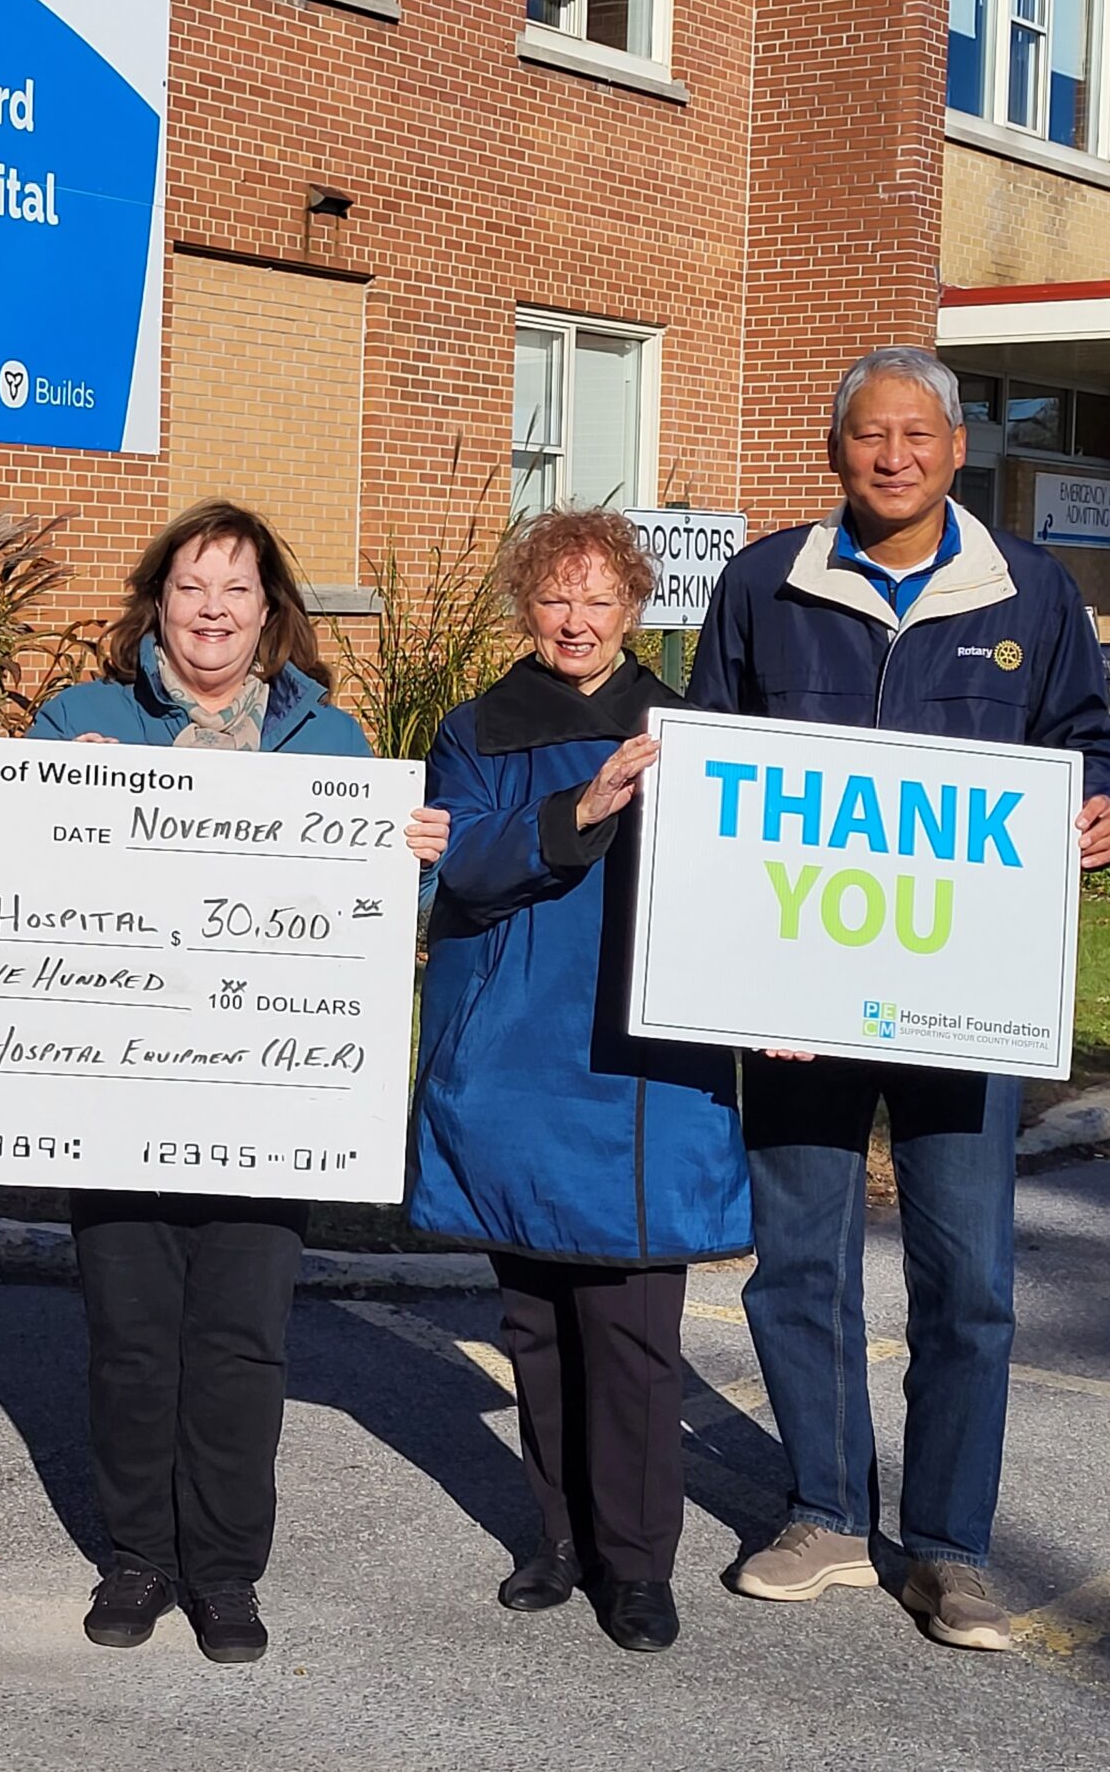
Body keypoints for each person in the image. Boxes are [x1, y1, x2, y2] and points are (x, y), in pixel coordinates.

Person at [688, 346, 1110, 1651]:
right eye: (870, 435)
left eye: (917, 434)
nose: (894, 455)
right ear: (839, 451)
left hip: (961, 995)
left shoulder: (1030, 589)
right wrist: (728, 952)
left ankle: (949, 1548)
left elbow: (1083, 733)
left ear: (955, 448)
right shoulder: (768, 580)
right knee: (800, 1263)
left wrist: (1095, 798)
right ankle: (824, 1510)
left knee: (967, 1277)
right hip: (798, 992)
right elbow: (716, 750)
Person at [24, 500, 375, 1665]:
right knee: (130, 1337)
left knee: (238, 1343)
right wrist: (41, 802)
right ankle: (137, 1558)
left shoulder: (334, 746)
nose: (212, 610)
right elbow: (7, 884)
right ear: (155, 603)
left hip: (267, 1098)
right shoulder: (79, 722)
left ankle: (224, 1573)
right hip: (114, 1090)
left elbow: (375, 929)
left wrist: (404, 864)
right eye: (190, 588)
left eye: (236, 588)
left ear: (270, 608)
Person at [402, 506, 747, 1653]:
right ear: (524, 607)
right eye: (556, 598)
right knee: (536, 1329)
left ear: (635, 609)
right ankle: (555, 1541)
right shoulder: (475, 730)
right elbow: (463, 870)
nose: (576, 621)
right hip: (509, 1067)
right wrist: (582, 809)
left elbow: (753, 896)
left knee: (635, 1338)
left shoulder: (696, 733)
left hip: (646, 1080)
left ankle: (638, 1568)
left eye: (599, 600)